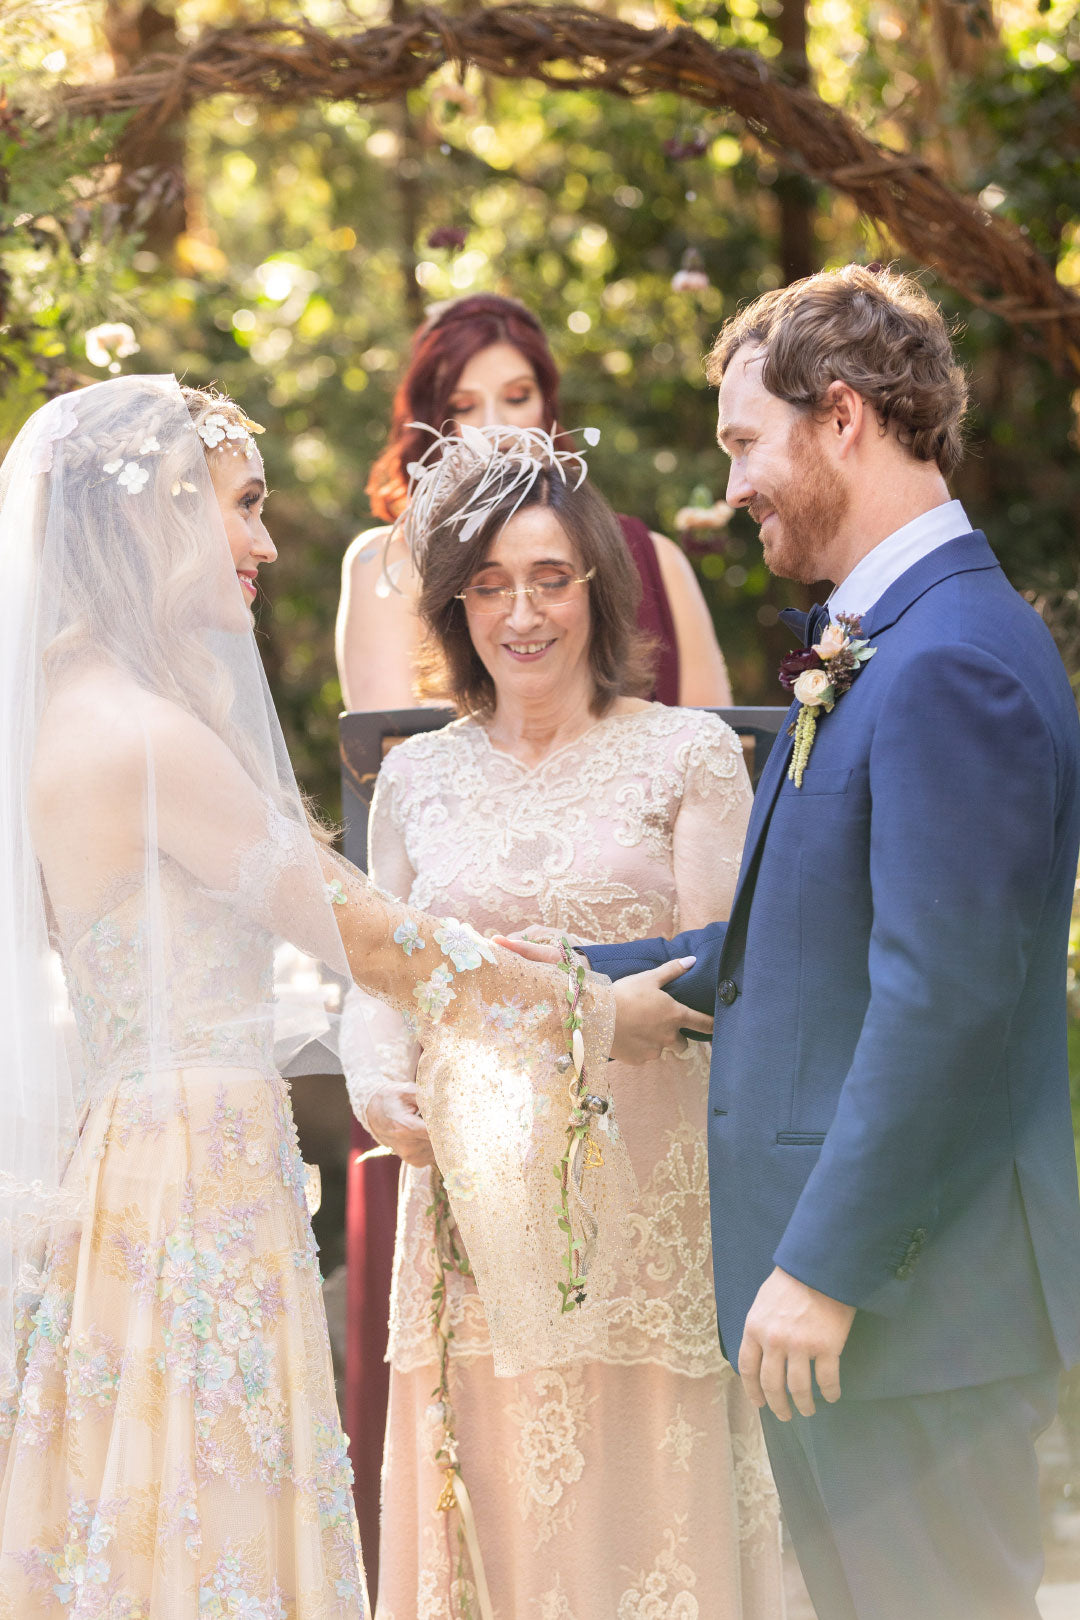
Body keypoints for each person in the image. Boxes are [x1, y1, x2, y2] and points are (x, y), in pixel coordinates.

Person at [0, 377, 688, 1616]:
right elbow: (376, 942)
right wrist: (593, 1013)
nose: (265, 542)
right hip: (190, 1184)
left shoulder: (63, 710)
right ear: (159, 514)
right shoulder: (143, 735)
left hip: (146, 1161)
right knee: (205, 1526)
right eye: (243, 507)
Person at [508, 265, 1080, 1620]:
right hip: (879, 1315)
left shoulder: (950, 663)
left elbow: (943, 1002)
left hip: (911, 1306)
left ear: (841, 418)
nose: (733, 486)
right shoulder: (892, 639)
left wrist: (822, 1270)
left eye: (744, 443)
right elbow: (808, 944)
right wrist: (551, 973)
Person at [341, 422, 782, 1618]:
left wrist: (580, 1014)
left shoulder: (688, 755)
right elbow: (382, 977)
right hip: (476, 1216)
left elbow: (713, 985)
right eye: (488, 587)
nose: (520, 614)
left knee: (647, 1526)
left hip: (644, 1198)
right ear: (455, 607)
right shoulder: (420, 777)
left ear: (597, 586)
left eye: (549, 579)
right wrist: (380, 1088)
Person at [335, 293, 732, 710]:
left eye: (517, 396)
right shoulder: (387, 564)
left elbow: (725, 748)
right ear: (431, 422)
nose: (495, 427)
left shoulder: (654, 558)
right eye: (463, 406)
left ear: (547, 407)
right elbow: (383, 756)